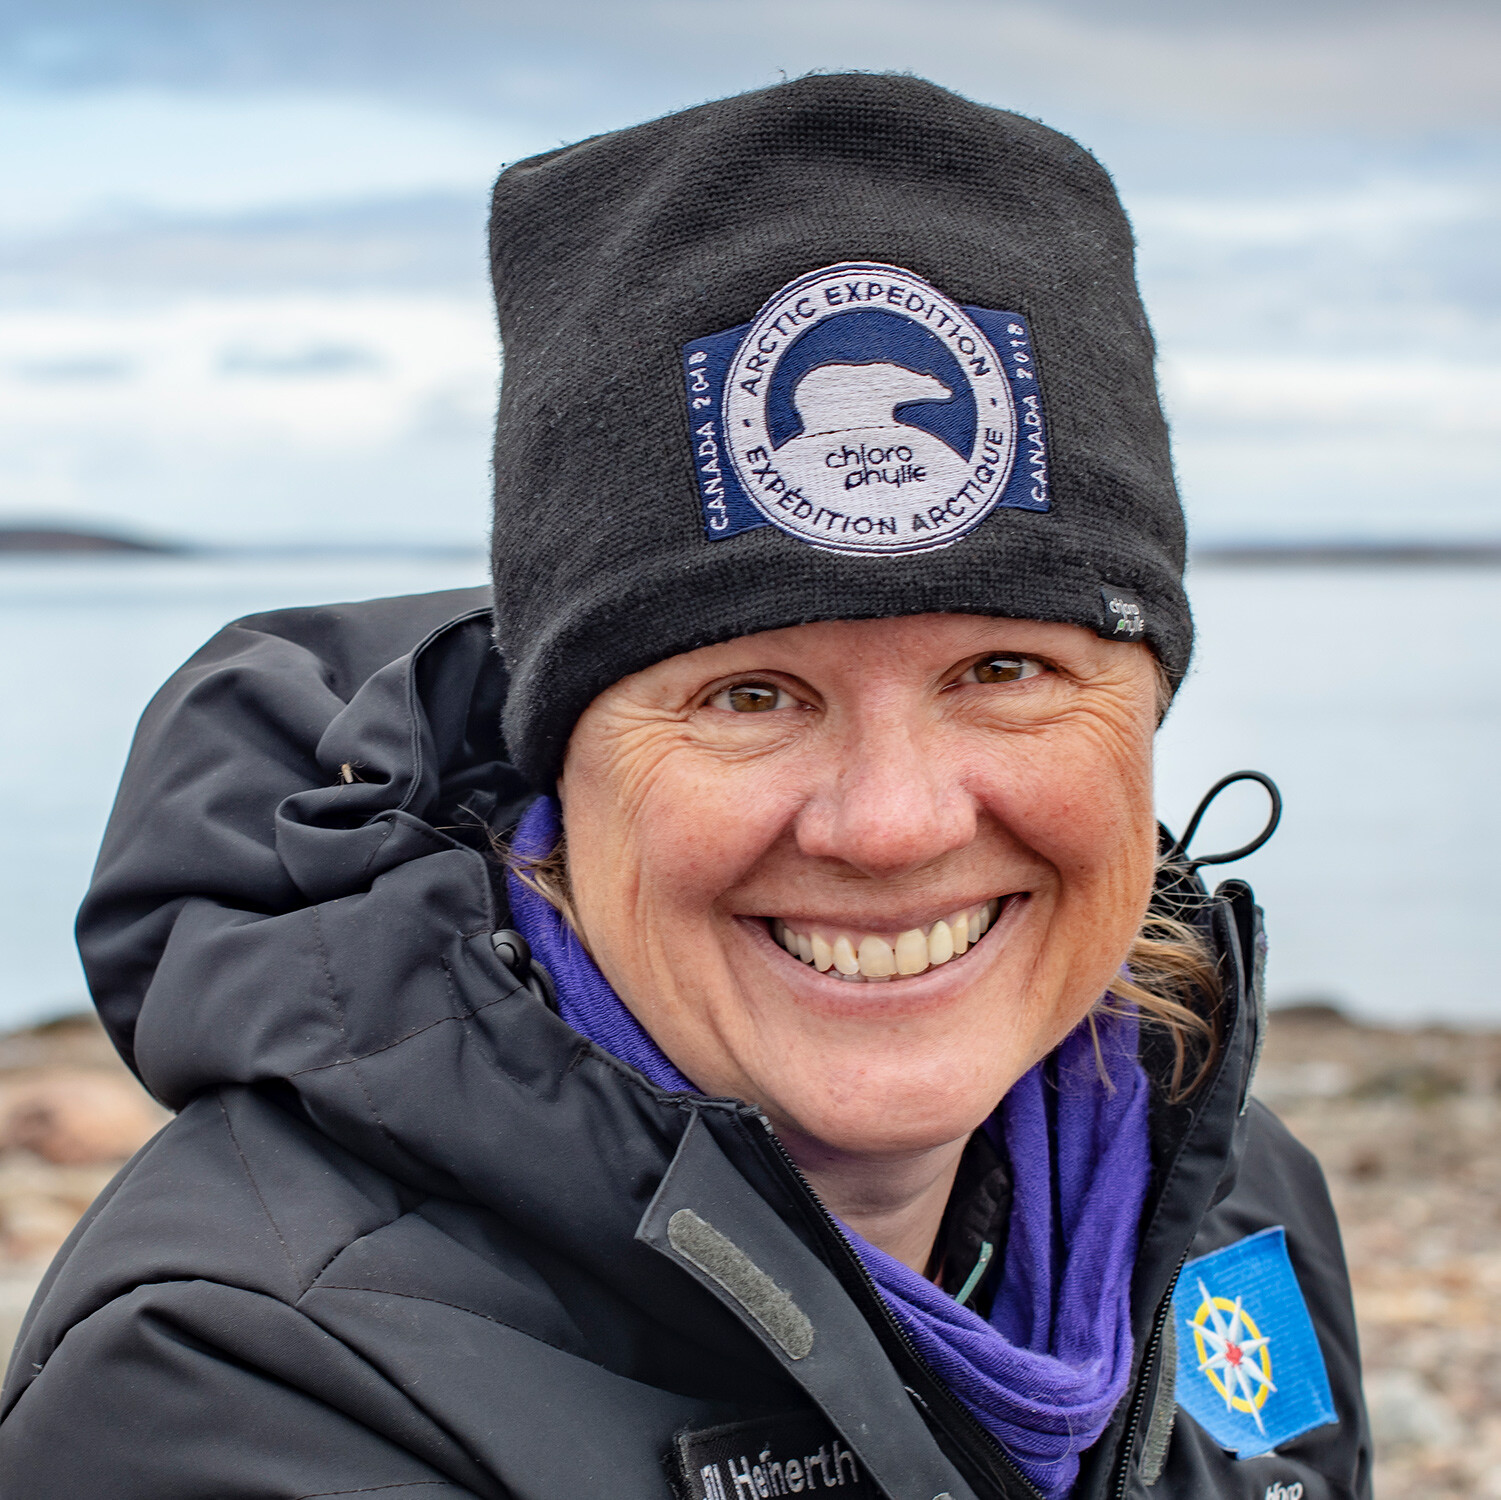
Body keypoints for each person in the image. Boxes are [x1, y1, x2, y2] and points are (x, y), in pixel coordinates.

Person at [0, 74, 1370, 1499]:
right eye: (750, 695)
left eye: (1004, 670)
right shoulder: (248, 1381)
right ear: (560, 765)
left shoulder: (1221, 1203)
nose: (892, 822)